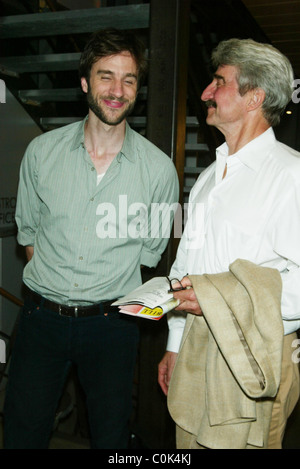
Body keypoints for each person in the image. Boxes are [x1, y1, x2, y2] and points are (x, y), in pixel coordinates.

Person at [4, 28, 179, 449]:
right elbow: (29, 239)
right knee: (21, 435)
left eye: (129, 79)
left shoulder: (159, 172)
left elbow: (148, 257)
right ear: (85, 83)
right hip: (40, 322)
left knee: (111, 438)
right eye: (106, 76)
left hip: (112, 327)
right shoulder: (41, 153)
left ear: (138, 87)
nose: (118, 91)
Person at [158, 38, 300, 449]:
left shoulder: (290, 175)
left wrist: (218, 301)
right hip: (197, 343)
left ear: (254, 97)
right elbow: (186, 265)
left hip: (257, 350)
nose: (205, 92)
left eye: (218, 82)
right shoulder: (207, 177)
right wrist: (174, 343)